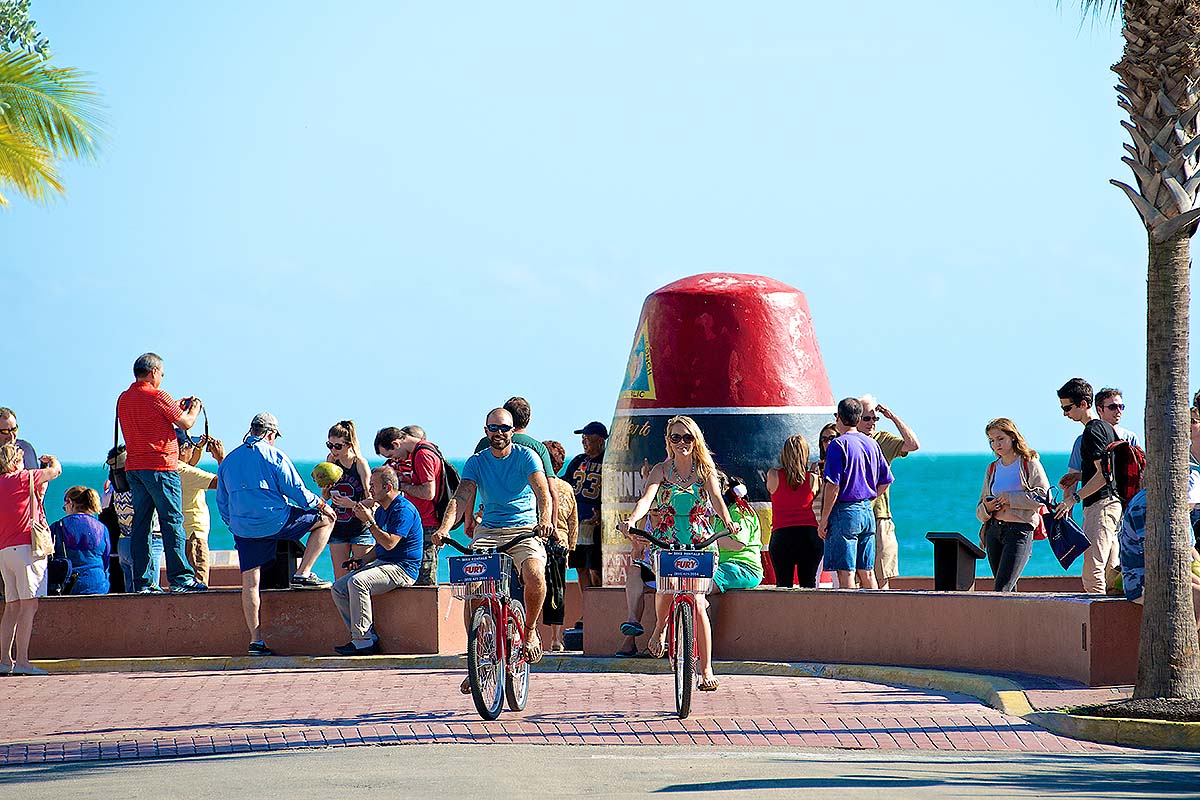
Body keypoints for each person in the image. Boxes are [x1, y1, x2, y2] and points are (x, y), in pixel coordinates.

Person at [617, 415, 740, 692]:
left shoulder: (705, 470)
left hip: (700, 541)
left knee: (697, 602)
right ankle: (660, 628)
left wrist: (728, 521)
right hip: (667, 540)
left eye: (687, 437)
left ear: (695, 440)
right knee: (665, 588)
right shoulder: (661, 470)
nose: (682, 442)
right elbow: (646, 499)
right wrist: (633, 520)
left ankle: (706, 668)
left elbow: (718, 501)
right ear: (668, 442)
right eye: (676, 437)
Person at [432, 407, 554, 684]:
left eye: (504, 428)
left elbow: (542, 492)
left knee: (534, 573)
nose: (499, 433)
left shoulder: (526, 456)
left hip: (524, 530)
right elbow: (461, 497)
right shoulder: (476, 462)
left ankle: (531, 630)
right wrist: (443, 528)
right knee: (472, 589)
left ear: (513, 431)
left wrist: (545, 520)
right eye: (493, 428)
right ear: (485, 430)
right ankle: (477, 659)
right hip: (489, 531)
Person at [217, 413, 337, 656]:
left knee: (250, 583)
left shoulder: (229, 460)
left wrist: (235, 525)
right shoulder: (274, 455)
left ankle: (255, 641)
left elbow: (222, 501)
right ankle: (303, 573)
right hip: (275, 521)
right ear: (271, 434)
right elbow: (296, 491)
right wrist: (322, 505)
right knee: (325, 521)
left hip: (243, 528)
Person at [115, 353, 207, 593]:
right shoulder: (158, 395)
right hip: (161, 467)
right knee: (172, 521)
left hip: (135, 467)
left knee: (142, 525)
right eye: (162, 374)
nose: (162, 378)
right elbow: (186, 423)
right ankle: (180, 579)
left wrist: (175, 405)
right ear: (154, 372)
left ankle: (143, 582)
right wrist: (194, 409)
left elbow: (150, 415)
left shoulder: (124, 398)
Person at [328, 466, 423, 655]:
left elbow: (389, 544)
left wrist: (369, 521)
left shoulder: (403, 510)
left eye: (373, 485)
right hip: (384, 564)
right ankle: (364, 635)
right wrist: (361, 561)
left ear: (387, 487)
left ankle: (363, 643)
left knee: (358, 582)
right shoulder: (382, 510)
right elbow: (380, 548)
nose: (369, 489)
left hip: (402, 568)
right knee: (338, 588)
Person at [1054, 378, 1123, 594]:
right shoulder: (1107, 429)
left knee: (1093, 574)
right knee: (1111, 574)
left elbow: (1103, 476)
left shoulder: (1091, 432)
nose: (1065, 413)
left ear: (1084, 404)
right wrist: (1080, 477)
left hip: (1101, 507)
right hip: (1114, 505)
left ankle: (1101, 625)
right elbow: (1110, 471)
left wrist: (1073, 499)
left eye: (1068, 407)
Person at [818, 398, 894, 591]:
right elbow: (885, 480)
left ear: (839, 417)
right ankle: (874, 616)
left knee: (846, 573)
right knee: (867, 572)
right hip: (867, 510)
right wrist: (867, 499)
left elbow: (832, 486)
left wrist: (824, 519)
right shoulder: (872, 444)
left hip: (845, 512)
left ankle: (849, 618)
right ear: (859, 417)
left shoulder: (837, 445)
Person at [0, 443, 61, 675]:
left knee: (11, 608)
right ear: (16, 461)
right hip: (26, 549)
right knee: (29, 606)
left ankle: (5, 661)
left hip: (4, 551)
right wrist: (52, 459)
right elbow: (55, 471)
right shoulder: (22, 478)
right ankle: (23, 661)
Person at [975, 419, 1050, 592]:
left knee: (1002, 588)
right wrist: (988, 508)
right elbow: (980, 508)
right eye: (992, 441)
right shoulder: (992, 468)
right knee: (1008, 588)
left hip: (1019, 531)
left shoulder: (1028, 462)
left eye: (1000, 438)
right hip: (993, 531)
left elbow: (1043, 496)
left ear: (1012, 437)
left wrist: (1010, 498)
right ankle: (1014, 620)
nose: (996, 444)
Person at [857, 395, 920, 590]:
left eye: (875, 418)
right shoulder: (848, 441)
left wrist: (893, 417)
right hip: (856, 513)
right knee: (857, 576)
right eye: (867, 418)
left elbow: (913, 444)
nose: (872, 423)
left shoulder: (882, 439)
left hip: (880, 516)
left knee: (882, 573)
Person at [473, 396, 558, 530]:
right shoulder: (537, 448)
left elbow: (470, 487)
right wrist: (552, 525)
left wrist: (468, 520)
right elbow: (551, 489)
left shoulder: (485, 443)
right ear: (528, 420)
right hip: (527, 523)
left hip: (491, 523)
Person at [374, 425, 445, 585]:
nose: (394, 460)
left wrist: (401, 486)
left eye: (392, 455)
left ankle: (426, 611)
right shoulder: (414, 454)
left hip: (427, 522)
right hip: (416, 522)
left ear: (396, 444)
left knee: (424, 579)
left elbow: (428, 492)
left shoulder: (423, 455)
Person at [1058, 387, 1140, 498]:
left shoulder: (1130, 438)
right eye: (1112, 407)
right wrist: (1067, 509)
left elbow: (1130, 473)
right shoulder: (1082, 440)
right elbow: (1074, 479)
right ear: (1099, 410)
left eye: (1121, 407)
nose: (1118, 411)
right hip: (1099, 502)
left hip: (1123, 502)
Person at [104, 445, 164, 592]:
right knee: (150, 591)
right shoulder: (141, 487)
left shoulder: (112, 490)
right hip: (146, 540)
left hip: (123, 542)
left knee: (131, 594)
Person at [767, 435, 821, 588]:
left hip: (782, 535)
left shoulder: (773, 475)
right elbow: (815, 493)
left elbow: (771, 490)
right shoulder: (813, 478)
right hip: (809, 536)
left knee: (783, 585)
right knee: (808, 584)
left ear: (784, 453)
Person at [323, 420, 374, 580]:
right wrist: (328, 488)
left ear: (349, 444)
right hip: (338, 526)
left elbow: (372, 499)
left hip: (360, 528)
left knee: (361, 578)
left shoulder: (359, 464)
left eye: (338, 446)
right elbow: (325, 496)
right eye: (329, 445)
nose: (333, 450)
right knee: (340, 580)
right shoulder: (331, 461)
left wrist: (351, 504)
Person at [563, 421, 606, 594]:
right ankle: (587, 609)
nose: (584, 442)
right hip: (578, 521)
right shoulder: (579, 460)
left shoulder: (607, 461)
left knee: (596, 567)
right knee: (580, 566)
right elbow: (564, 483)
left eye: (588, 438)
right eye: (583, 438)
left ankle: (600, 606)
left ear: (600, 441)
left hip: (595, 522)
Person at [177, 431, 224, 587]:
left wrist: (197, 449)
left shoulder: (171, 470)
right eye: (190, 446)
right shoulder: (187, 473)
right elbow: (224, 482)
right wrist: (221, 459)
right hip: (194, 536)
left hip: (182, 534)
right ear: (183, 449)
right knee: (199, 585)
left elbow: (188, 466)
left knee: (185, 585)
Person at [542, 440, 577, 652]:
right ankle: (556, 638)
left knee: (531, 586)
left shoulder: (533, 485)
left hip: (537, 539)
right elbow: (574, 522)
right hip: (560, 543)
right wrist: (571, 548)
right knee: (557, 590)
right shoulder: (566, 488)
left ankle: (532, 632)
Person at [49, 486, 110, 595]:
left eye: (65, 507)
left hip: (69, 586)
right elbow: (106, 561)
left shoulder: (58, 527)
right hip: (98, 584)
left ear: (71, 503)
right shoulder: (102, 528)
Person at [710, 476, 763, 593]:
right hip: (721, 566)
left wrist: (707, 539)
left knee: (701, 586)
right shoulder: (719, 515)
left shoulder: (738, 511)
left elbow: (738, 544)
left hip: (743, 567)